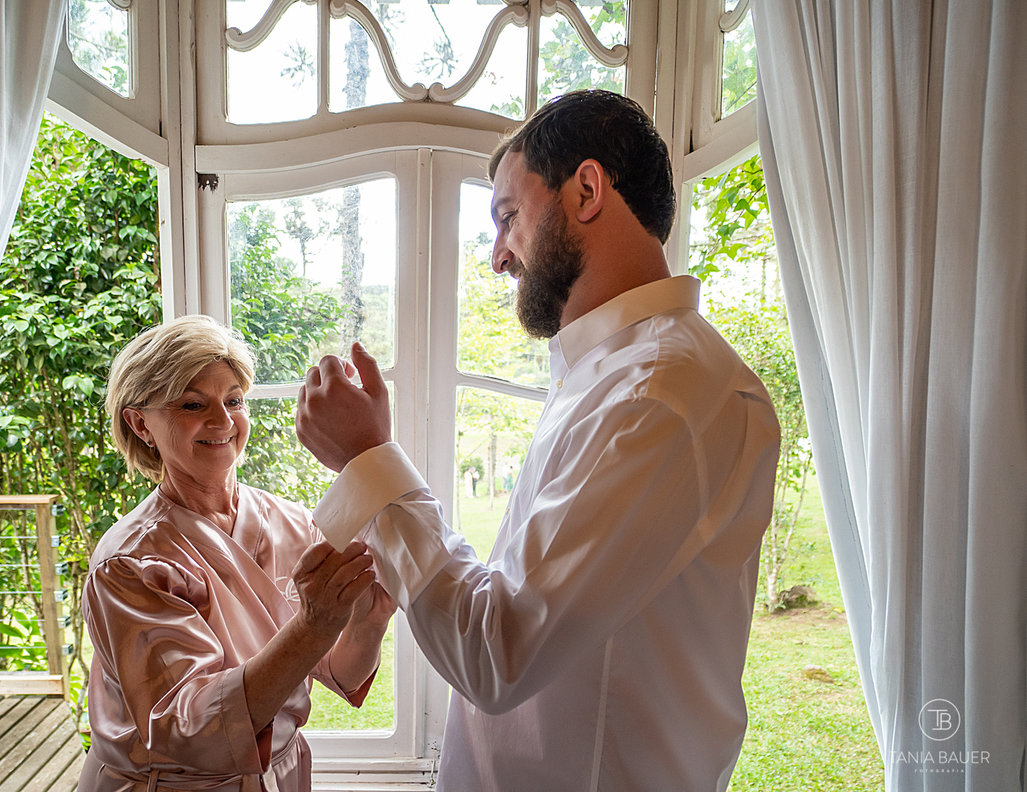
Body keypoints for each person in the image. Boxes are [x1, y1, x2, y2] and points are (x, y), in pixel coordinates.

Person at [296, 90, 781, 791]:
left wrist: (368, 462)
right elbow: (519, 597)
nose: (497, 256)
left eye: (506, 216)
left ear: (586, 189)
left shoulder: (665, 397)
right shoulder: (612, 377)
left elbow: (501, 650)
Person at [79, 315, 396, 792]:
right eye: (193, 404)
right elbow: (190, 731)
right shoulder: (131, 564)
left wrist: (367, 623)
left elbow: (334, 669)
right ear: (140, 422)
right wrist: (313, 625)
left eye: (234, 400)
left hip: (281, 776)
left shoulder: (292, 522)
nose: (223, 421)